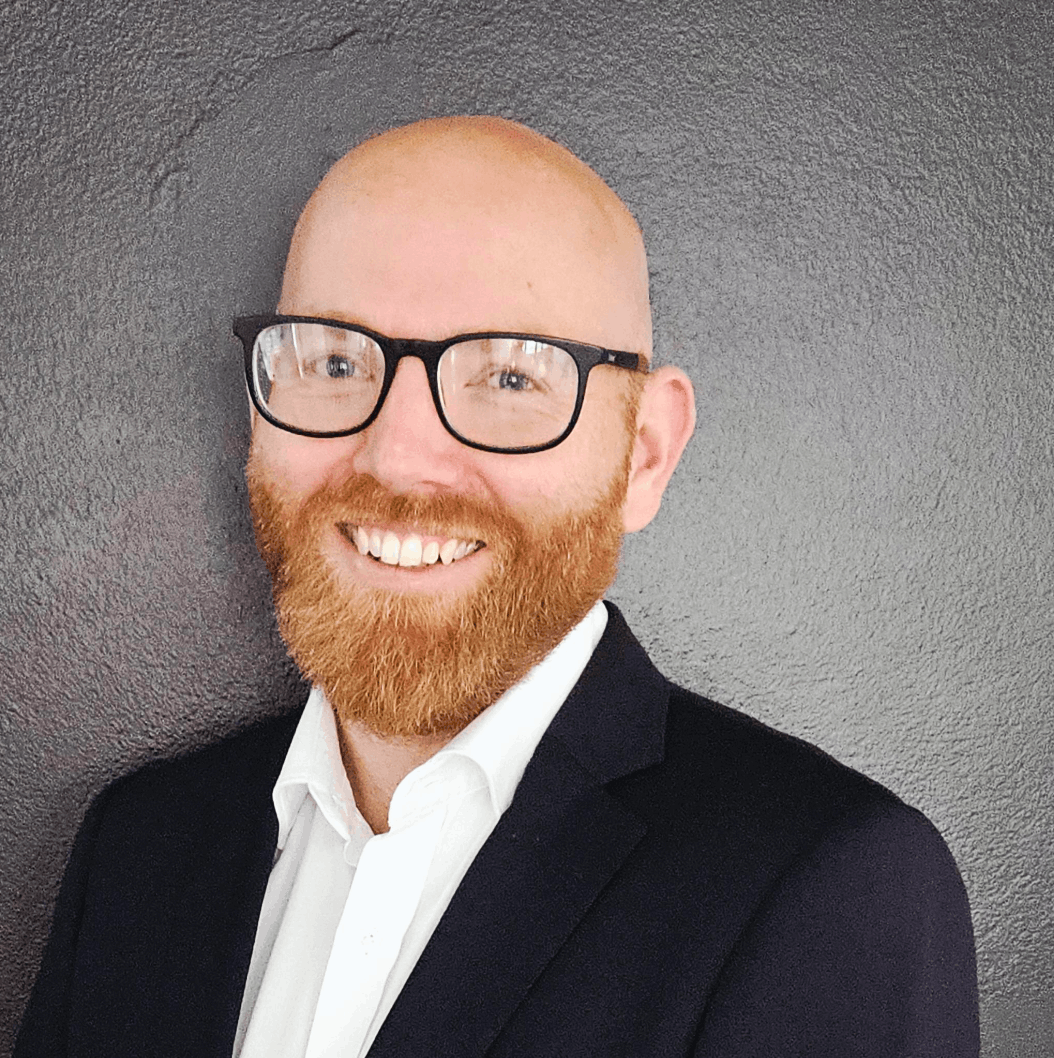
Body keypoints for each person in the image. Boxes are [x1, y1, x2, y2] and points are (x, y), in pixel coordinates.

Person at [16, 116, 979, 1057]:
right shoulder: (139, 846)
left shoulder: (827, 890)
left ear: (644, 453)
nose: (397, 458)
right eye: (337, 360)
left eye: (511, 379)